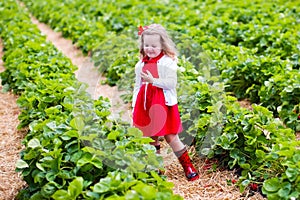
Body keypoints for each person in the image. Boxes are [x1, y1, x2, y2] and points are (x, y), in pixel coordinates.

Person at [132, 24, 199, 181]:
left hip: (163, 103)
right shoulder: (140, 64)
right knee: (150, 137)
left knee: (171, 136)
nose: (150, 48)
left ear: (162, 45)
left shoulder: (168, 62)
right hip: (146, 104)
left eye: (154, 45)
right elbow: (138, 86)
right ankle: (156, 169)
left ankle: (187, 166)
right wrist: (135, 104)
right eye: (146, 45)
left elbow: (170, 84)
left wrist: (153, 80)